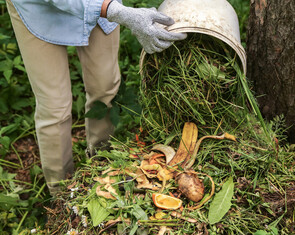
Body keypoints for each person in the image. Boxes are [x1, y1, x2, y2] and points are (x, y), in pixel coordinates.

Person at [6, 0, 186, 195]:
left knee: (105, 88)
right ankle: (62, 195)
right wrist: (118, 12)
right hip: (39, 9)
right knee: (55, 107)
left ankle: (103, 164)